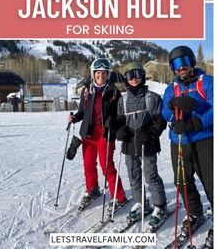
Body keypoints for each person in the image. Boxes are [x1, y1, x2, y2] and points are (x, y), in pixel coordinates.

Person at [162, 46, 213, 244]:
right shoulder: (171, 88)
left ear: (192, 62)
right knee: (182, 181)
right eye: (176, 63)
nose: (181, 67)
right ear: (172, 68)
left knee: (211, 182)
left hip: (204, 139)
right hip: (179, 140)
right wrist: (172, 111)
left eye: (184, 61)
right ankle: (194, 213)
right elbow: (166, 113)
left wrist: (196, 121)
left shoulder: (207, 82)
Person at [67, 58, 126, 212]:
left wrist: (113, 125)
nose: (101, 76)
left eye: (104, 73)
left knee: (107, 166)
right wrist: (75, 117)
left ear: (108, 75)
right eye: (98, 73)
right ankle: (92, 188)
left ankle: (119, 197)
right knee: (88, 164)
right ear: (93, 74)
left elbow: (120, 116)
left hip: (105, 134)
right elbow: (82, 112)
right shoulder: (86, 91)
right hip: (88, 133)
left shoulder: (114, 92)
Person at [116, 61, 167, 225]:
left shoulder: (152, 98)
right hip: (129, 144)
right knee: (133, 174)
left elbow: (160, 120)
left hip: (147, 143)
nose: (134, 78)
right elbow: (119, 120)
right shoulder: (122, 100)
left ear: (143, 76)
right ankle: (140, 202)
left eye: (137, 74)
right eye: (130, 75)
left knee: (150, 175)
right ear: (125, 78)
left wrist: (151, 133)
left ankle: (160, 205)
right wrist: (119, 130)